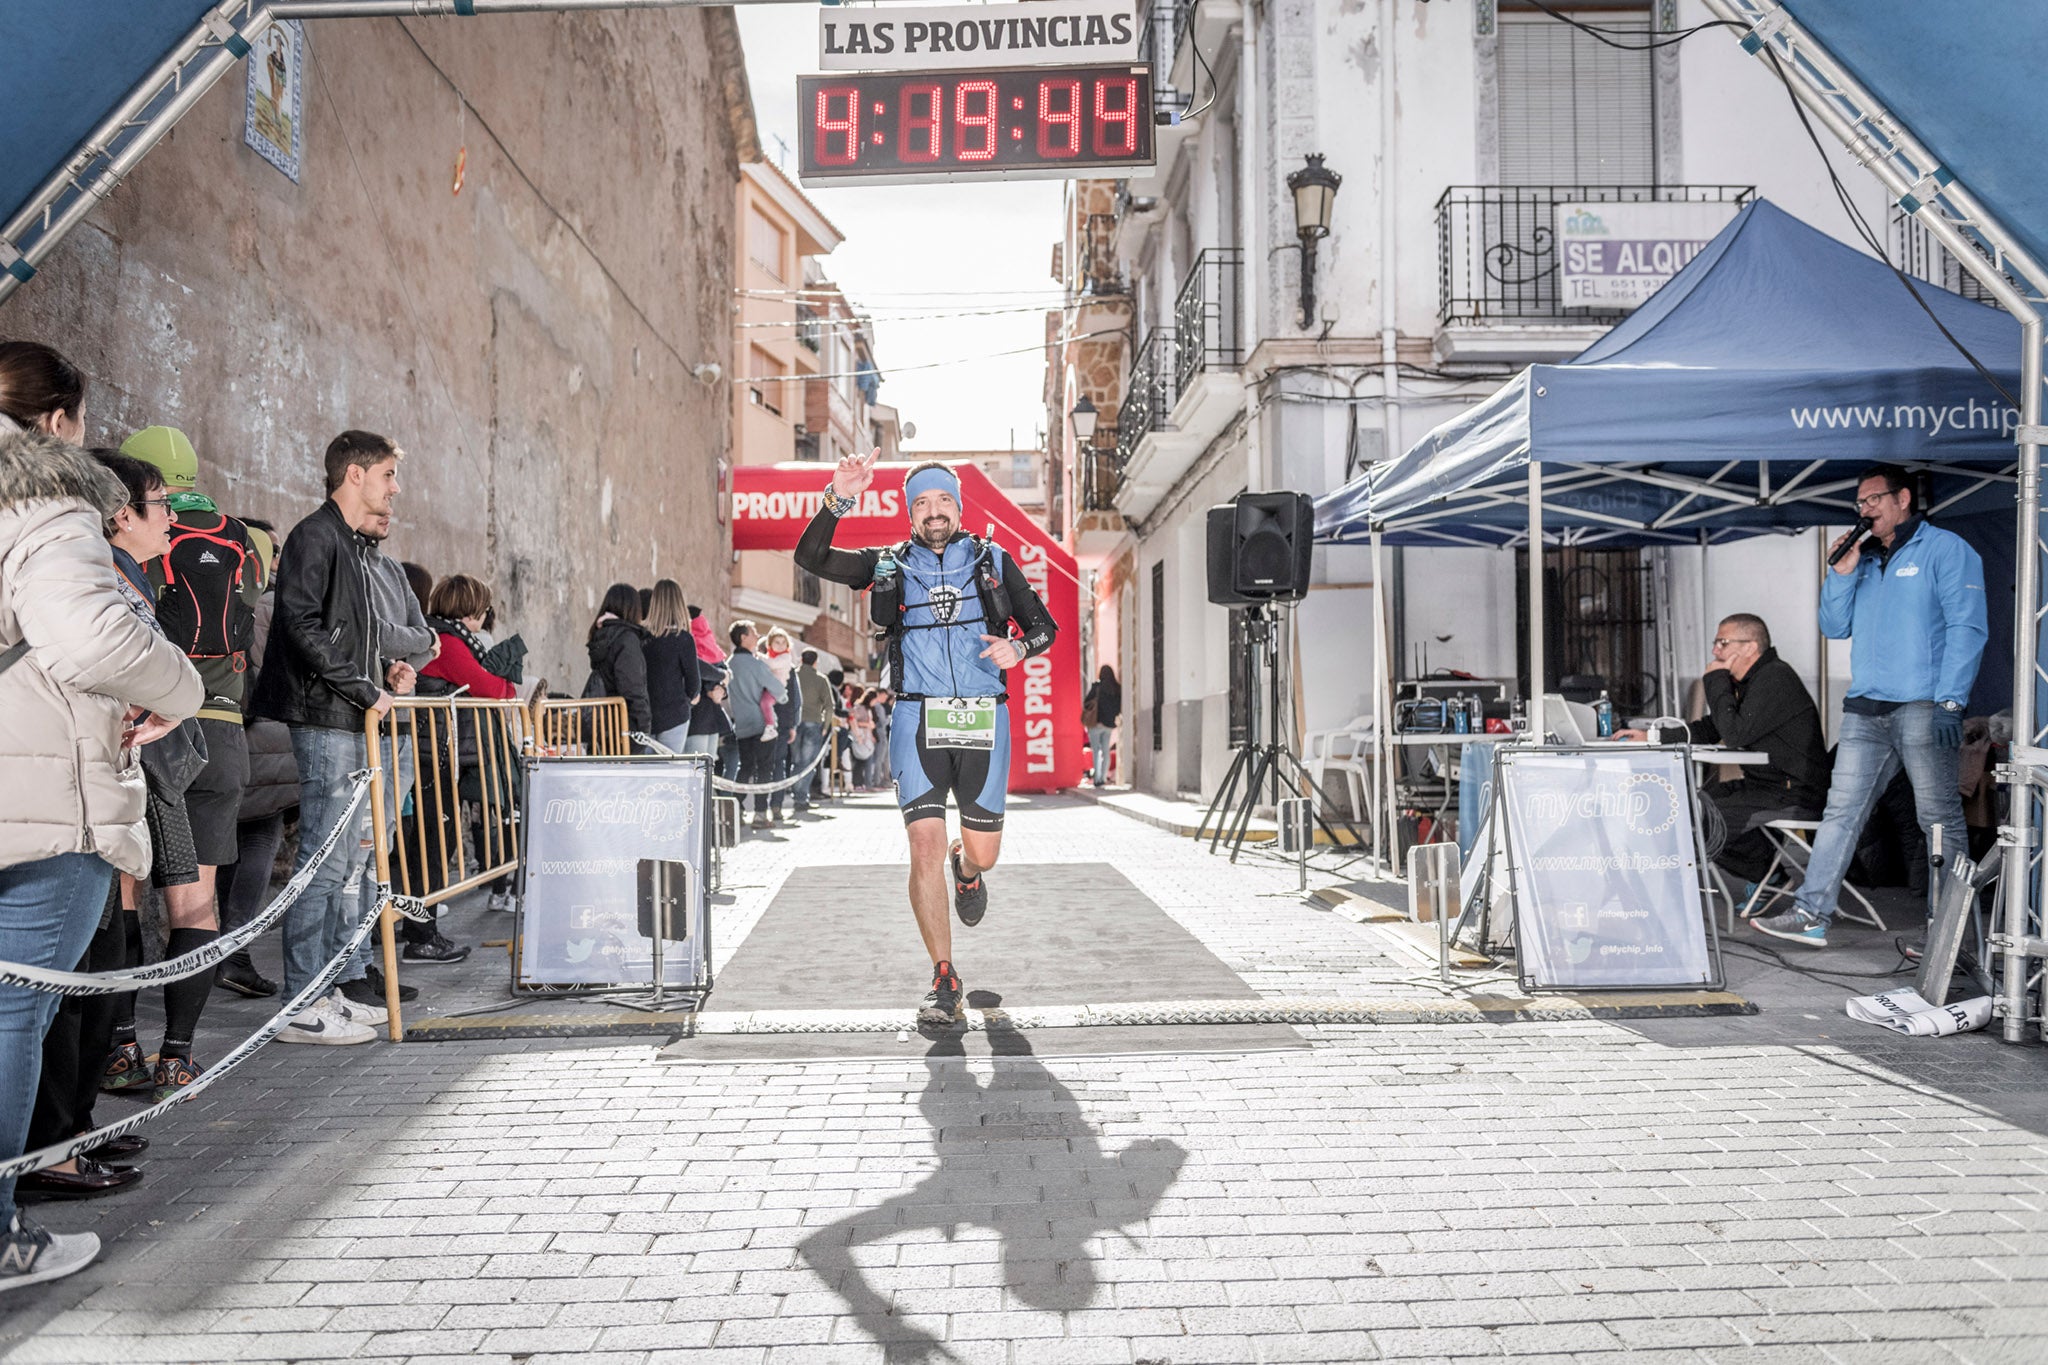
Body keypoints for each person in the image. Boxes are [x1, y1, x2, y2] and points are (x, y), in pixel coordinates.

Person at [0, 343, 202, 1289]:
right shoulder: (43, 498)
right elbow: (87, 634)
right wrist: (182, 683)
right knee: (14, 1013)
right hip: (38, 800)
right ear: (58, 421)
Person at [796, 453, 1058, 1025]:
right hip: (917, 721)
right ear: (909, 511)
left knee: (981, 853)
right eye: (921, 502)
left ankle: (967, 870)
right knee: (922, 848)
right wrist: (838, 496)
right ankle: (944, 978)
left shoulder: (992, 559)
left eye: (942, 501)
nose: (933, 512)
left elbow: (1045, 627)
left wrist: (1019, 648)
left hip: (984, 719)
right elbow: (810, 556)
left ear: (958, 507)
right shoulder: (888, 564)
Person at [1754, 466, 1989, 949]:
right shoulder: (1860, 562)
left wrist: (1951, 700)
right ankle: (1811, 912)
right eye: (1859, 504)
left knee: (1938, 819)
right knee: (1840, 812)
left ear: (1903, 499)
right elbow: (1834, 626)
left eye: (1873, 500)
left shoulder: (1945, 550)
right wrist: (1839, 574)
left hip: (1923, 705)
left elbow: (1968, 628)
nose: (1865, 510)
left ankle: (1951, 934)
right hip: (1865, 709)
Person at [249, 430, 407, 1045]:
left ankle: (325, 989)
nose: (395, 488)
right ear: (356, 474)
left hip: (342, 713)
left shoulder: (348, 542)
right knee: (321, 860)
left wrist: (382, 673)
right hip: (324, 717)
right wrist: (364, 688)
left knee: (340, 860)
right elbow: (299, 623)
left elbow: (340, 636)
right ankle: (299, 1001)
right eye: (389, 474)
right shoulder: (316, 534)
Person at [123, 426, 266, 1096]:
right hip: (224, 732)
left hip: (153, 730)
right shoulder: (245, 538)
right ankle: (178, 1054)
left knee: (124, 890)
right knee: (197, 899)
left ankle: (119, 1046)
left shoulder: (139, 532)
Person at [1616, 615, 1829, 890]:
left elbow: (1734, 734)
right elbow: (1713, 727)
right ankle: (1768, 876)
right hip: (1764, 786)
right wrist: (1653, 736)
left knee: (1710, 818)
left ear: (1751, 647)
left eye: (1723, 643)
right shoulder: (1749, 682)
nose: (1715, 651)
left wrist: (1716, 679)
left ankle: (1764, 877)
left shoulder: (1774, 677)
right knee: (1686, 807)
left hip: (1795, 791)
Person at [362, 523, 459, 977]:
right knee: (382, 850)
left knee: (389, 847)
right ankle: (395, 942)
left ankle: (374, 953)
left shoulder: (391, 584)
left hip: (403, 740)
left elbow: (422, 645)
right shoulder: (369, 583)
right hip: (396, 738)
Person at [215, 518, 293, 999]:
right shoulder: (269, 605)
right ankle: (235, 950)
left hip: (226, 729)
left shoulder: (226, 597)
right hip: (266, 734)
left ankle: (218, 949)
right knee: (260, 839)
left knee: (225, 846)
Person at [725, 620, 786, 830]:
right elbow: (779, 691)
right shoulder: (756, 664)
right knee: (764, 771)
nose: (757, 634)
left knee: (745, 768)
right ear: (743, 638)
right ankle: (760, 814)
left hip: (741, 725)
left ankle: (736, 810)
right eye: (753, 632)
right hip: (763, 725)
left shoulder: (729, 663)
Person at [586, 583, 652, 738]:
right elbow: (631, 685)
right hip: (626, 726)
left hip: (604, 724)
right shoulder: (626, 639)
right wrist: (643, 725)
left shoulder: (602, 635)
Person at [644, 580, 702, 754]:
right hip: (674, 713)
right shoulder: (683, 639)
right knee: (668, 772)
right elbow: (694, 683)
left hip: (645, 714)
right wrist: (687, 700)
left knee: (644, 772)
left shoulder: (641, 637)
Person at [762, 628, 800, 822]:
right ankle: (761, 808)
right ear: (769, 644)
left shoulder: (789, 667)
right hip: (762, 720)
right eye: (776, 642)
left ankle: (776, 805)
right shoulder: (762, 664)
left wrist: (792, 724)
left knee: (778, 764)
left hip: (782, 722)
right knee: (763, 764)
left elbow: (794, 698)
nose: (779, 646)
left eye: (782, 643)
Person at [794, 649, 833, 813]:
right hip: (813, 723)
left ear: (801, 660)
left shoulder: (793, 675)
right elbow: (829, 705)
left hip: (794, 723)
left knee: (796, 762)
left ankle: (797, 795)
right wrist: (826, 726)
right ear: (816, 661)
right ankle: (801, 798)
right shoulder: (821, 679)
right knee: (809, 763)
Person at [1084, 665, 1121, 787]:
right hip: (1108, 724)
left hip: (1096, 723)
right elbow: (1119, 706)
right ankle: (1103, 777)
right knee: (1106, 751)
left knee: (1096, 751)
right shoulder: (1117, 688)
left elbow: (1087, 702)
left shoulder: (1097, 686)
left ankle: (1097, 778)